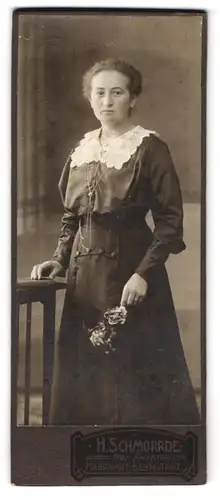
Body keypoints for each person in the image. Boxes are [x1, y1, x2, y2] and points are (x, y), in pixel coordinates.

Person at [31, 58, 200, 425]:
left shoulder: (149, 147)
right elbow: (72, 215)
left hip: (131, 275)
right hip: (83, 278)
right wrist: (59, 259)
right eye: (100, 93)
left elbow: (170, 221)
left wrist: (144, 274)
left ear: (133, 98)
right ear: (90, 99)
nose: (107, 101)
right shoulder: (82, 150)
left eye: (117, 92)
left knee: (132, 373)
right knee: (85, 369)